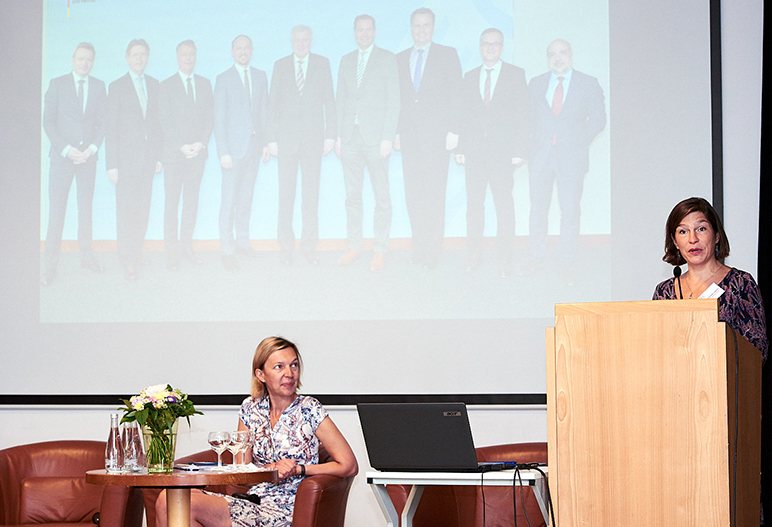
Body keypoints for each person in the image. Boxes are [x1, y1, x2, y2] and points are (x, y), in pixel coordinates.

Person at [155, 336, 358, 527]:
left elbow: (348, 465)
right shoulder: (251, 407)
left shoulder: (309, 408)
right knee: (167, 499)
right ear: (261, 374)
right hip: (252, 502)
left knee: (179, 505)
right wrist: (268, 468)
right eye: (279, 367)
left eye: (294, 365)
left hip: (287, 510)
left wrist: (299, 469)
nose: (289, 373)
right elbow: (243, 469)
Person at [522, 39, 606, 285]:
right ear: (547, 58)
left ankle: (566, 263)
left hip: (572, 158)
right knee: (538, 209)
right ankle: (535, 258)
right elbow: (527, 117)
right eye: (552, 54)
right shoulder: (536, 83)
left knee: (569, 210)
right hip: (540, 157)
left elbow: (598, 119)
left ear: (571, 54)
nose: (557, 58)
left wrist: (578, 141)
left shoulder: (588, 83)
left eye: (562, 53)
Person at [652, 197, 768, 362]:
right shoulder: (664, 292)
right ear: (675, 242)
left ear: (717, 236)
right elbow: (655, 348)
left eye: (701, 229)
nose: (693, 239)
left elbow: (758, 350)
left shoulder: (740, 283)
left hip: (723, 383)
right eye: (683, 231)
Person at [454, 28, 530, 278]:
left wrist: (520, 150)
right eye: (486, 43)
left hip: (503, 155)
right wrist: (461, 148)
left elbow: (523, 115)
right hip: (474, 154)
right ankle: (474, 255)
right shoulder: (470, 76)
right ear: (480, 46)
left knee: (503, 208)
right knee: (474, 208)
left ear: (502, 46)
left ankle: (505, 259)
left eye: (495, 43)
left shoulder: (515, 75)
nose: (490, 47)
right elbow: (464, 115)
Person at [394, 8, 462, 270]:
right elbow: (399, 100)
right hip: (410, 139)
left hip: (437, 139)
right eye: (417, 26)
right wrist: (397, 132)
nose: (421, 30)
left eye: (426, 25)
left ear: (433, 28)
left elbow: (456, 93)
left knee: (434, 196)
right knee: (414, 197)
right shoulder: (400, 59)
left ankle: (433, 251)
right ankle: (418, 248)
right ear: (411, 28)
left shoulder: (447, 54)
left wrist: (454, 130)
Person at [266, 25, 336, 267]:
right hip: (285, 143)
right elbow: (271, 104)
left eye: (305, 39)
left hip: (313, 143)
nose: (301, 43)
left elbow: (330, 101)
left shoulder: (322, 63)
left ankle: (309, 247)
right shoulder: (280, 65)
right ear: (291, 41)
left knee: (310, 197)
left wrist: (331, 135)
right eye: (297, 39)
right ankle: (286, 246)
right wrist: (271, 139)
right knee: (286, 197)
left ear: (311, 40)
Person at [335, 14, 400, 272]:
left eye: (368, 29)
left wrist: (387, 137)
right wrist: (339, 136)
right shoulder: (346, 61)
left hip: (376, 141)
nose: (364, 34)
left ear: (374, 31)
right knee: (352, 196)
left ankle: (380, 248)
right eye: (359, 30)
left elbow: (394, 100)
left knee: (381, 197)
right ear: (354, 32)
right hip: (350, 139)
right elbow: (341, 100)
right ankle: (354, 246)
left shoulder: (387, 59)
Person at [41, 42, 107, 286]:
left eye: (89, 59)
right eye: (80, 58)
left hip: (88, 160)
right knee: (56, 214)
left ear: (93, 61)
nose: (84, 63)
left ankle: (87, 258)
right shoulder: (57, 84)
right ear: (72, 59)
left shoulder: (99, 87)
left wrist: (91, 149)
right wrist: (67, 150)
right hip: (62, 160)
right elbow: (48, 122)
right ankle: (50, 267)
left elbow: (103, 123)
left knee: (85, 211)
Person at [105, 39, 163, 281]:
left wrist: (158, 156)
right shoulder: (117, 86)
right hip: (125, 163)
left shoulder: (154, 84)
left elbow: (157, 124)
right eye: (135, 54)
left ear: (147, 57)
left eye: (143, 54)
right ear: (127, 58)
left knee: (143, 210)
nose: (139, 58)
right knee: (126, 211)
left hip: (148, 161)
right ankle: (127, 258)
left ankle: (136, 252)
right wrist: (111, 165)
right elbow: (111, 127)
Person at [213, 35, 269, 272]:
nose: (243, 52)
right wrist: (223, 152)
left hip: (254, 149)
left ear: (252, 50)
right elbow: (219, 119)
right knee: (229, 202)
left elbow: (263, 112)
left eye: (247, 48)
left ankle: (243, 243)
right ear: (232, 52)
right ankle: (227, 250)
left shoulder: (260, 76)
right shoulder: (223, 79)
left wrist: (265, 143)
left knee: (246, 199)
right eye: (239, 48)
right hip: (233, 152)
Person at [158, 40, 214, 271]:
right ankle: (172, 252)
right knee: (172, 205)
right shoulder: (166, 85)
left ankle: (186, 247)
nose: (188, 58)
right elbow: (164, 120)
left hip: (197, 156)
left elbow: (210, 117)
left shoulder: (204, 83)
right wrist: (181, 145)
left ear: (196, 57)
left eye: (192, 54)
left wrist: (200, 144)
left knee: (191, 203)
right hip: (174, 155)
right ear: (177, 57)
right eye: (184, 54)